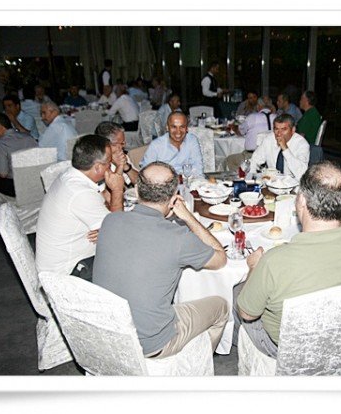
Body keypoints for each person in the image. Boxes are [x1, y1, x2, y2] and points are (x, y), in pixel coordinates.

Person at [234, 161, 341, 357]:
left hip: (288, 351)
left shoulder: (274, 261)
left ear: (302, 201)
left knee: (238, 292)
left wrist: (254, 267)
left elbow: (246, 313)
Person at [93, 161, 229, 358]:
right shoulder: (178, 237)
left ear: (137, 191)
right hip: (151, 344)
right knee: (221, 306)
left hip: (105, 333)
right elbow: (220, 258)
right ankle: (195, 362)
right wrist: (188, 217)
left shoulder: (111, 220)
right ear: (174, 198)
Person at [36, 134, 125, 280]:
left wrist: (119, 170)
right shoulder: (80, 193)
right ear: (98, 167)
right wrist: (118, 190)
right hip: (67, 274)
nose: (111, 165)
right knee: (131, 251)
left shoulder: (70, 176)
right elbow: (118, 231)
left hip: (60, 262)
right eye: (109, 163)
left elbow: (103, 200)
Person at [0, 112, 38, 202]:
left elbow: (2, 174)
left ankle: (2, 208)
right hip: (35, 182)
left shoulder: (1, 144)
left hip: (17, 186)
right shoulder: (29, 138)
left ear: (0, 127)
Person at [139, 111, 205, 177]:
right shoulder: (156, 145)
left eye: (182, 127)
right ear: (167, 128)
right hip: (165, 182)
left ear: (187, 128)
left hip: (189, 181)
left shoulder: (192, 140)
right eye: (174, 127)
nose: (178, 131)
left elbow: (199, 169)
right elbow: (145, 172)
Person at [250, 113, 310, 181]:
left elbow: (301, 174)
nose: (279, 134)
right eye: (276, 129)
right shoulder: (269, 139)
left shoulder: (302, 144)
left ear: (293, 130)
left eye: (284, 129)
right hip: (272, 181)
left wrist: (285, 149)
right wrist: (251, 179)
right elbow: (255, 160)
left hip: (293, 182)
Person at [225, 97, 276, 172]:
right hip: (271, 156)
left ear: (258, 106)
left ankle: (242, 175)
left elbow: (240, 132)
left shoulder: (253, 117)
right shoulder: (276, 118)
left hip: (252, 155)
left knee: (229, 160)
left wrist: (234, 128)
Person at [94, 121, 138, 186]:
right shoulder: (96, 163)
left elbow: (140, 184)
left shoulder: (120, 155)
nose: (124, 145)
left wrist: (126, 166)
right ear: (111, 145)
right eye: (122, 143)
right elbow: (113, 189)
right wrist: (119, 167)